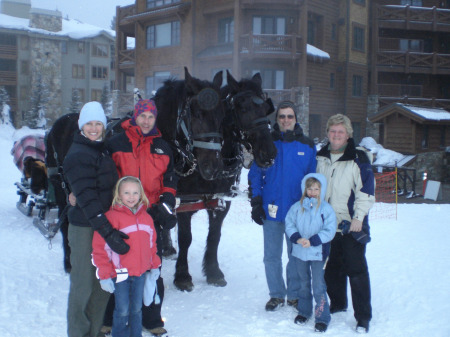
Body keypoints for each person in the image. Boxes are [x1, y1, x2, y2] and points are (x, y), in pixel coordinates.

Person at [105, 98, 178, 336]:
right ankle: (110, 315)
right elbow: (107, 179)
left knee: (151, 266)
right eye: (142, 116)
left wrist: (164, 206)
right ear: (135, 117)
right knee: (118, 264)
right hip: (122, 215)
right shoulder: (116, 143)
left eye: (151, 117)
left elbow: (169, 180)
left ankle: (153, 317)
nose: (146, 121)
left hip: (150, 216)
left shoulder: (163, 147)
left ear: (155, 119)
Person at [63, 101, 129, 337]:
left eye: (98, 123)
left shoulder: (101, 149)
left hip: (103, 224)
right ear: (81, 126)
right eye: (89, 123)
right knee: (83, 285)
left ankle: (94, 331)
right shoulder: (78, 155)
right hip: (84, 228)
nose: (93, 128)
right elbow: (89, 202)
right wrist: (109, 233)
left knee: (102, 284)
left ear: (103, 125)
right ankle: (78, 333)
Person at [248, 100, 317, 311]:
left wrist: (310, 205)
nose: (286, 120)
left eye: (290, 116)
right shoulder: (267, 142)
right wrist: (256, 201)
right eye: (282, 116)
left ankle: (294, 295)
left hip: (297, 212)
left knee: (295, 255)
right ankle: (276, 294)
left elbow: (312, 178)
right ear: (276, 119)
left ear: (295, 119)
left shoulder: (306, 145)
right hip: (272, 210)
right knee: (271, 256)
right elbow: (255, 174)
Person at [316, 114, 375, 333]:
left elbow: (366, 190)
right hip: (328, 224)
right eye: (333, 131)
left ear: (348, 134)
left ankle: (363, 317)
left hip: (351, 224)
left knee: (356, 270)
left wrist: (359, 217)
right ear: (328, 133)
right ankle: (338, 304)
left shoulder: (358, 158)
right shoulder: (320, 157)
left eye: (341, 131)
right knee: (332, 269)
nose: (336, 135)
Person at [92, 176, 162, 337]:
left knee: (137, 309)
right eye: (127, 192)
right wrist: (104, 274)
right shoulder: (111, 217)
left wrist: (154, 265)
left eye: (135, 192)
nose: (131, 197)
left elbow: (152, 245)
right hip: (120, 274)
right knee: (122, 309)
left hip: (140, 273)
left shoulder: (146, 217)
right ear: (118, 194)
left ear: (141, 194)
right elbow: (100, 248)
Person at [285, 173, 337, 333]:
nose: (313, 192)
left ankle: (322, 317)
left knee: (318, 284)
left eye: (316, 189)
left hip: (318, 253)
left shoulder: (326, 209)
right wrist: (296, 238)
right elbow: (289, 223)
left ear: (322, 190)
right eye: (310, 188)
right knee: (303, 282)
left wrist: (313, 240)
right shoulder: (297, 207)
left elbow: (330, 230)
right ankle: (304, 311)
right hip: (300, 251)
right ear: (304, 189)